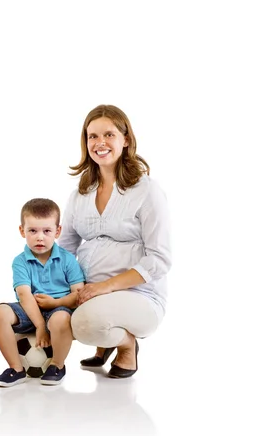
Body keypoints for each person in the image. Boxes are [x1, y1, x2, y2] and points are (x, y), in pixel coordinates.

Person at [58, 104, 172, 378]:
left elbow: (160, 259)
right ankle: (102, 341)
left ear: (126, 140)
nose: (100, 143)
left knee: (83, 323)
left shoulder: (147, 190)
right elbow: (64, 247)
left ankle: (126, 345)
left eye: (108, 134)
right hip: (87, 292)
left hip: (139, 296)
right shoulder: (80, 194)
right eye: (92, 136)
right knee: (28, 313)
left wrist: (105, 287)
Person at [0, 198, 85, 387]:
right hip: (30, 309)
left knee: (60, 319)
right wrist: (40, 325)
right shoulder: (21, 261)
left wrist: (55, 303)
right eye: (32, 231)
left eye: (47, 231)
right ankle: (16, 369)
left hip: (59, 308)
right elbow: (24, 295)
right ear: (22, 231)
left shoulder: (67, 260)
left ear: (57, 232)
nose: (40, 237)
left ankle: (57, 365)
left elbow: (78, 295)